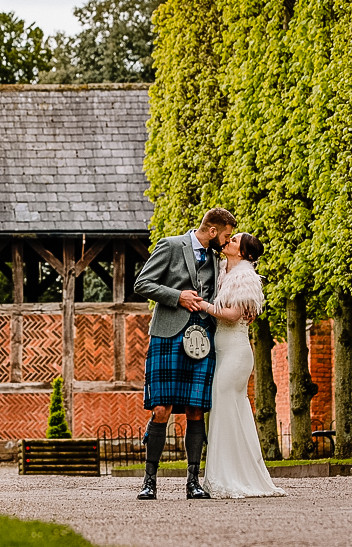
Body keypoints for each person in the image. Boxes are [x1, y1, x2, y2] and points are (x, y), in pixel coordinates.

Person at [132, 207, 236, 500]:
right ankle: (149, 481)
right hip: (168, 335)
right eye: (225, 236)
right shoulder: (170, 245)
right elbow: (142, 284)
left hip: (203, 337)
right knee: (161, 410)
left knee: (195, 409)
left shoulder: (217, 260)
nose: (227, 242)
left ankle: (193, 481)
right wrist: (178, 296)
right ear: (212, 231)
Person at [197, 232, 286, 498]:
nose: (229, 241)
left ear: (244, 253)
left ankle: (229, 476)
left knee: (224, 407)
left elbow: (235, 314)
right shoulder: (223, 269)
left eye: (234, 240)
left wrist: (204, 305)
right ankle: (227, 472)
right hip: (222, 350)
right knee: (227, 410)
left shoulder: (245, 277)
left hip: (236, 352)